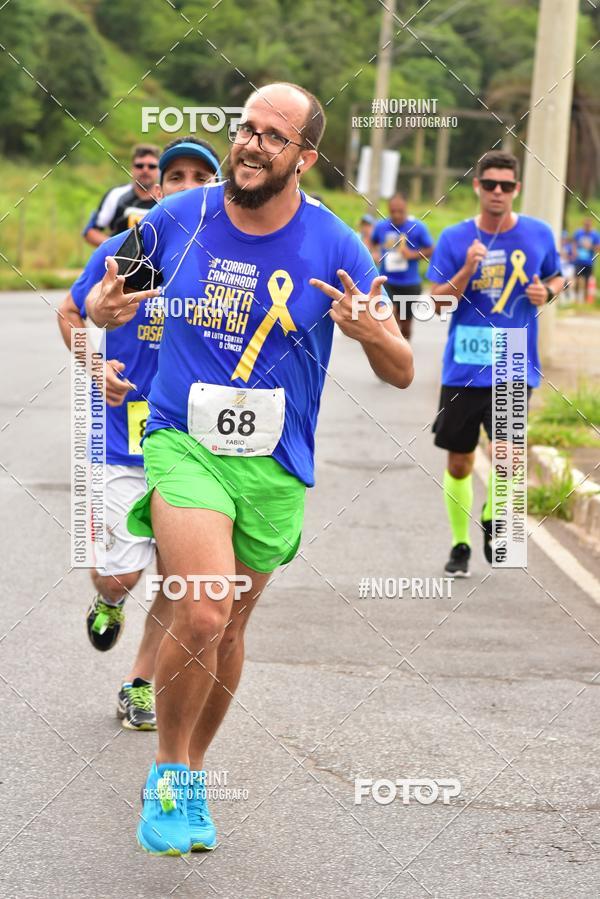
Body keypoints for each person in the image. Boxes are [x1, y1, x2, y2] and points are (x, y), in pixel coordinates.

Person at [85, 82, 414, 856]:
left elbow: (400, 369)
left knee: (230, 623)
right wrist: (104, 312)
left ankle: (195, 771)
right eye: (247, 128)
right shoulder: (175, 218)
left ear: (304, 156)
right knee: (200, 607)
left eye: (274, 135)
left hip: (273, 465)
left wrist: (371, 333)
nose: (252, 143)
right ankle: (168, 773)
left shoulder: (336, 246)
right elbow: (101, 296)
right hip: (181, 441)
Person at [57, 137, 222, 730]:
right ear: (154, 187)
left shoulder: (227, 261)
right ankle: (106, 599)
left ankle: (140, 685)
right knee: (124, 575)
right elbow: (70, 313)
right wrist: (96, 366)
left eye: (198, 175)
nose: (183, 185)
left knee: (183, 580)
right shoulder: (132, 250)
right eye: (173, 175)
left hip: (194, 444)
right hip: (125, 441)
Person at [427, 150, 564, 578]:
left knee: (507, 458)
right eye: (490, 185)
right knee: (459, 462)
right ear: (478, 187)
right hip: (465, 364)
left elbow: (558, 275)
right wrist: (467, 268)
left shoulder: (539, 234)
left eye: (506, 186)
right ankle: (459, 544)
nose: (498, 193)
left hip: (512, 361)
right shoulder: (454, 237)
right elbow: (437, 301)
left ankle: (491, 516)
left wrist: (550, 292)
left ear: (516, 190)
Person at [371, 193, 434, 341]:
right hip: (387, 281)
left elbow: (431, 249)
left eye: (400, 211)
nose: (397, 215)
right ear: (388, 209)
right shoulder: (381, 226)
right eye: (393, 211)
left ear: (406, 208)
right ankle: (391, 350)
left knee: (405, 326)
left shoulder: (418, 227)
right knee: (390, 317)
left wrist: (411, 254)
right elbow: (372, 242)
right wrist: (374, 253)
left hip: (409, 283)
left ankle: (404, 349)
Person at [83, 144, 161, 247]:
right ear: (131, 168)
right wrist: (117, 247)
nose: (145, 170)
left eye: (151, 166)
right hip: (118, 261)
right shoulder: (115, 195)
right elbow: (90, 232)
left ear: (159, 170)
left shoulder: (167, 199)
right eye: (139, 166)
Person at [571, 217, 600, 302]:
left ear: (591, 225)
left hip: (589, 262)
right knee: (577, 279)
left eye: (588, 225)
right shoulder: (578, 233)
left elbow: (598, 248)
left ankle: (585, 299)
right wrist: (574, 252)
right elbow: (574, 244)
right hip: (579, 261)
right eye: (586, 225)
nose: (587, 226)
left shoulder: (595, 235)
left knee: (587, 281)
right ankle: (576, 298)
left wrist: (590, 246)